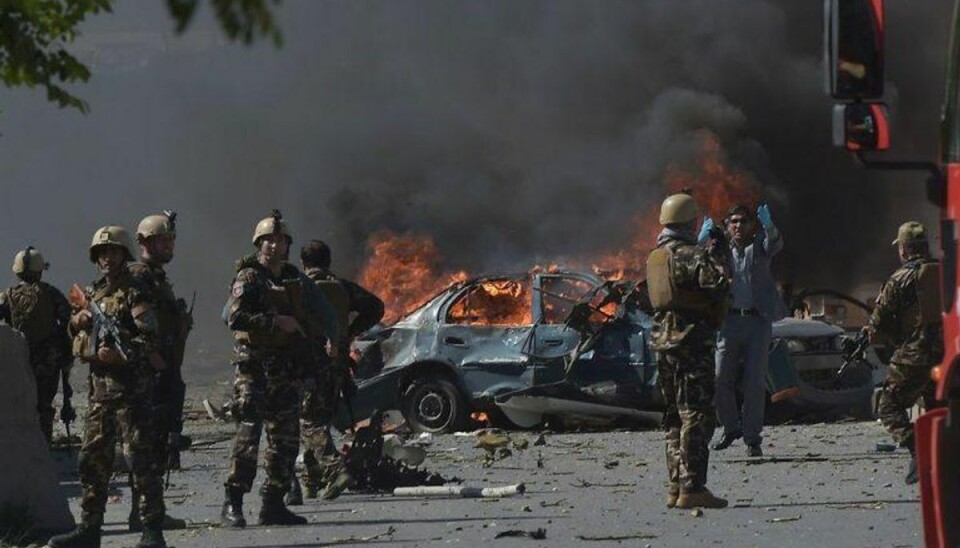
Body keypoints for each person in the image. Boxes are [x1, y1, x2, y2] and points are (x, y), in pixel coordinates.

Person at [47, 226, 168, 548]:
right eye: (101, 253)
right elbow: (74, 333)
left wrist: (121, 353)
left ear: (124, 254)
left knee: (141, 461)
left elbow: (151, 340)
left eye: (111, 252)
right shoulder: (95, 293)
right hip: (101, 393)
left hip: (131, 393)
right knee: (91, 462)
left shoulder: (136, 293)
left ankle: (152, 529)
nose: (105, 258)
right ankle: (90, 528)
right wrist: (80, 321)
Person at [220, 211, 337, 528]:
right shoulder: (249, 278)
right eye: (268, 239)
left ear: (288, 245)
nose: (275, 244)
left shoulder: (295, 279)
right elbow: (233, 318)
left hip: (286, 370)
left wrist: (329, 340)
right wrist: (275, 322)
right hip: (254, 367)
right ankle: (233, 502)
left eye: (281, 239)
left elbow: (320, 314)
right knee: (247, 435)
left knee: (285, 440)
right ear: (259, 243)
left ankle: (273, 502)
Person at [646, 193, 731, 510]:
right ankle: (693, 486)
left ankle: (675, 485)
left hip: (662, 343)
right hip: (691, 342)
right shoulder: (691, 255)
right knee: (696, 414)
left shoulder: (656, 257)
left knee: (673, 417)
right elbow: (720, 286)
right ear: (690, 222)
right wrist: (718, 254)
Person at [290, 239, 384, 502]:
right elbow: (376, 308)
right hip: (337, 364)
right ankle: (312, 483)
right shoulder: (342, 288)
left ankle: (335, 469)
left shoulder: (298, 287)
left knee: (309, 422)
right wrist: (349, 333)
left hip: (307, 364)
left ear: (303, 263)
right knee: (319, 420)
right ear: (329, 262)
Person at [126, 211, 193, 531]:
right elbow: (133, 325)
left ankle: (148, 510)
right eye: (161, 240)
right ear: (144, 242)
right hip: (147, 373)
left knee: (157, 442)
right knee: (145, 443)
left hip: (165, 370)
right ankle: (145, 513)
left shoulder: (155, 277)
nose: (168, 245)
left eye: (170, 240)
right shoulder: (137, 277)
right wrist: (151, 356)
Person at [702, 204, 783, 457]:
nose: (738, 226)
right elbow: (697, 265)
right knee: (719, 378)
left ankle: (752, 439)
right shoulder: (719, 250)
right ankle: (730, 427)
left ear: (753, 225)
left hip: (757, 322)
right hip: (728, 322)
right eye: (733, 222)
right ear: (727, 226)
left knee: (755, 382)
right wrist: (701, 240)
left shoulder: (760, 246)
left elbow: (775, 244)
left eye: (744, 222)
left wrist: (769, 226)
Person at [866, 221, 944, 484]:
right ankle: (939, 461)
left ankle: (918, 451)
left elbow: (878, 324)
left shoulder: (900, 278)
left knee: (888, 406)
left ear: (903, 249)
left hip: (915, 354)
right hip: (946, 355)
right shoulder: (945, 272)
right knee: (938, 409)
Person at [0, 246, 72, 443]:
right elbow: (68, 321)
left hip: (18, 361)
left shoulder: (7, 295)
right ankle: (42, 447)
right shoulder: (51, 293)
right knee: (43, 406)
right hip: (47, 361)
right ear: (41, 270)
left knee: (18, 405)